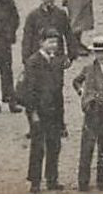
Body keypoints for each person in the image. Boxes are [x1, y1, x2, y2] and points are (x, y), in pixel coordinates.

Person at [18, 32, 71, 192]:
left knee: (54, 145)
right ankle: (35, 182)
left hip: (54, 111)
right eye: (50, 42)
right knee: (38, 148)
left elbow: (58, 90)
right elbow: (29, 90)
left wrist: (61, 117)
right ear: (41, 42)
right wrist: (33, 113)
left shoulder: (56, 62)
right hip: (39, 112)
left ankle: (52, 179)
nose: (53, 45)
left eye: (56, 42)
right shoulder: (33, 62)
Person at [73, 35, 103, 191]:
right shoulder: (88, 69)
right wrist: (83, 92)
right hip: (92, 111)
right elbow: (76, 81)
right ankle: (83, 182)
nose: (102, 55)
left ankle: (102, 180)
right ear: (95, 53)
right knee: (87, 147)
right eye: (99, 52)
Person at [21, 0, 75, 70]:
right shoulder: (33, 16)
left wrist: (71, 56)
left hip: (57, 55)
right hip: (38, 56)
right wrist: (26, 58)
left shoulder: (61, 14)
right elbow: (27, 38)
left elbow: (69, 35)